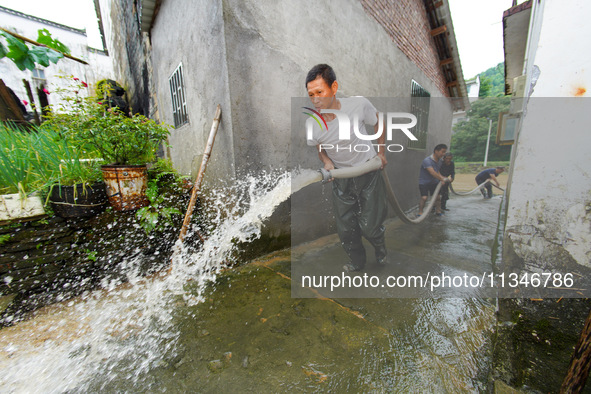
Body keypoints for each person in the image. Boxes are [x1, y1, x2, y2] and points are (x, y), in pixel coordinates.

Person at [305, 64, 388, 272]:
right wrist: (326, 161)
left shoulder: (358, 105)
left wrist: (382, 153)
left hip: (368, 171)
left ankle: (380, 249)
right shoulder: (314, 123)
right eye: (311, 94)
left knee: (370, 226)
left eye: (320, 92)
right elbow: (320, 148)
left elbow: (379, 121)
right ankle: (357, 262)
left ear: (334, 87)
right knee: (346, 228)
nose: (316, 100)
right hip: (341, 178)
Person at [418, 144, 449, 216]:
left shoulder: (440, 161)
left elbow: (437, 171)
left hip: (434, 182)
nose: (443, 154)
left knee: (438, 197)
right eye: (442, 152)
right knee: (424, 197)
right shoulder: (427, 160)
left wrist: (442, 177)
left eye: (444, 152)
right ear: (436, 151)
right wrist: (441, 179)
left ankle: (438, 211)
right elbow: (432, 172)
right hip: (424, 182)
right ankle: (420, 212)